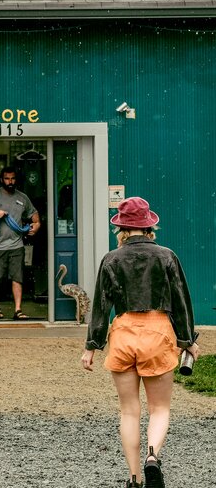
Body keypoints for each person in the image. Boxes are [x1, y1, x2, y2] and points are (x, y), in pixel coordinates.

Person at [81, 197, 200, 488]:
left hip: (123, 331)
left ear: (120, 227)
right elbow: (181, 301)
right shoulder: (167, 256)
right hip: (157, 331)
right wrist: (187, 340)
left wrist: (91, 346)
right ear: (149, 226)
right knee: (159, 408)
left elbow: (100, 306)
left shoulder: (111, 259)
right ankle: (152, 457)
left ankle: (134, 478)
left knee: (129, 411)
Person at [0, 166, 41, 320]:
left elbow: (34, 214)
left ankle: (18, 310)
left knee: (17, 277)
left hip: (16, 245)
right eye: (7, 178)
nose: (10, 182)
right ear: (1, 179)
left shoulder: (23, 198)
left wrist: (37, 225)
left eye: (12, 178)